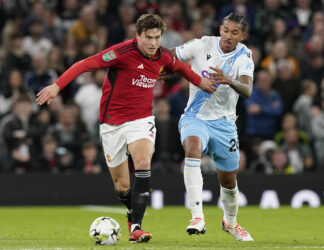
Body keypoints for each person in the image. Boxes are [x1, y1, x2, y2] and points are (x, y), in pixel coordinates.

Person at [36, 14, 216, 243]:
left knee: (142, 162)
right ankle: (132, 214)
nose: (153, 43)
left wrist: (202, 83)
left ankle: (136, 228)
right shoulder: (121, 53)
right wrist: (57, 86)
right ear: (138, 35)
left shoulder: (163, 56)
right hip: (111, 124)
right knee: (122, 186)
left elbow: (182, 68)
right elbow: (84, 64)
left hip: (141, 120)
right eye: (148, 37)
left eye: (157, 37)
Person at [171, 12, 254, 241]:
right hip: (195, 117)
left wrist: (229, 80)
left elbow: (247, 89)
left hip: (224, 124)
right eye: (226, 30)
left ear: (242, 35)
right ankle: (197, 217)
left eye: (234, 33)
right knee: (193, 148)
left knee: (228, 181)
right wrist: (161, 71)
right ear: (220, 28)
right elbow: (170, 56)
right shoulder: (201, 44)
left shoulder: (244, 57)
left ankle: (231, 223)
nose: (228, 36)